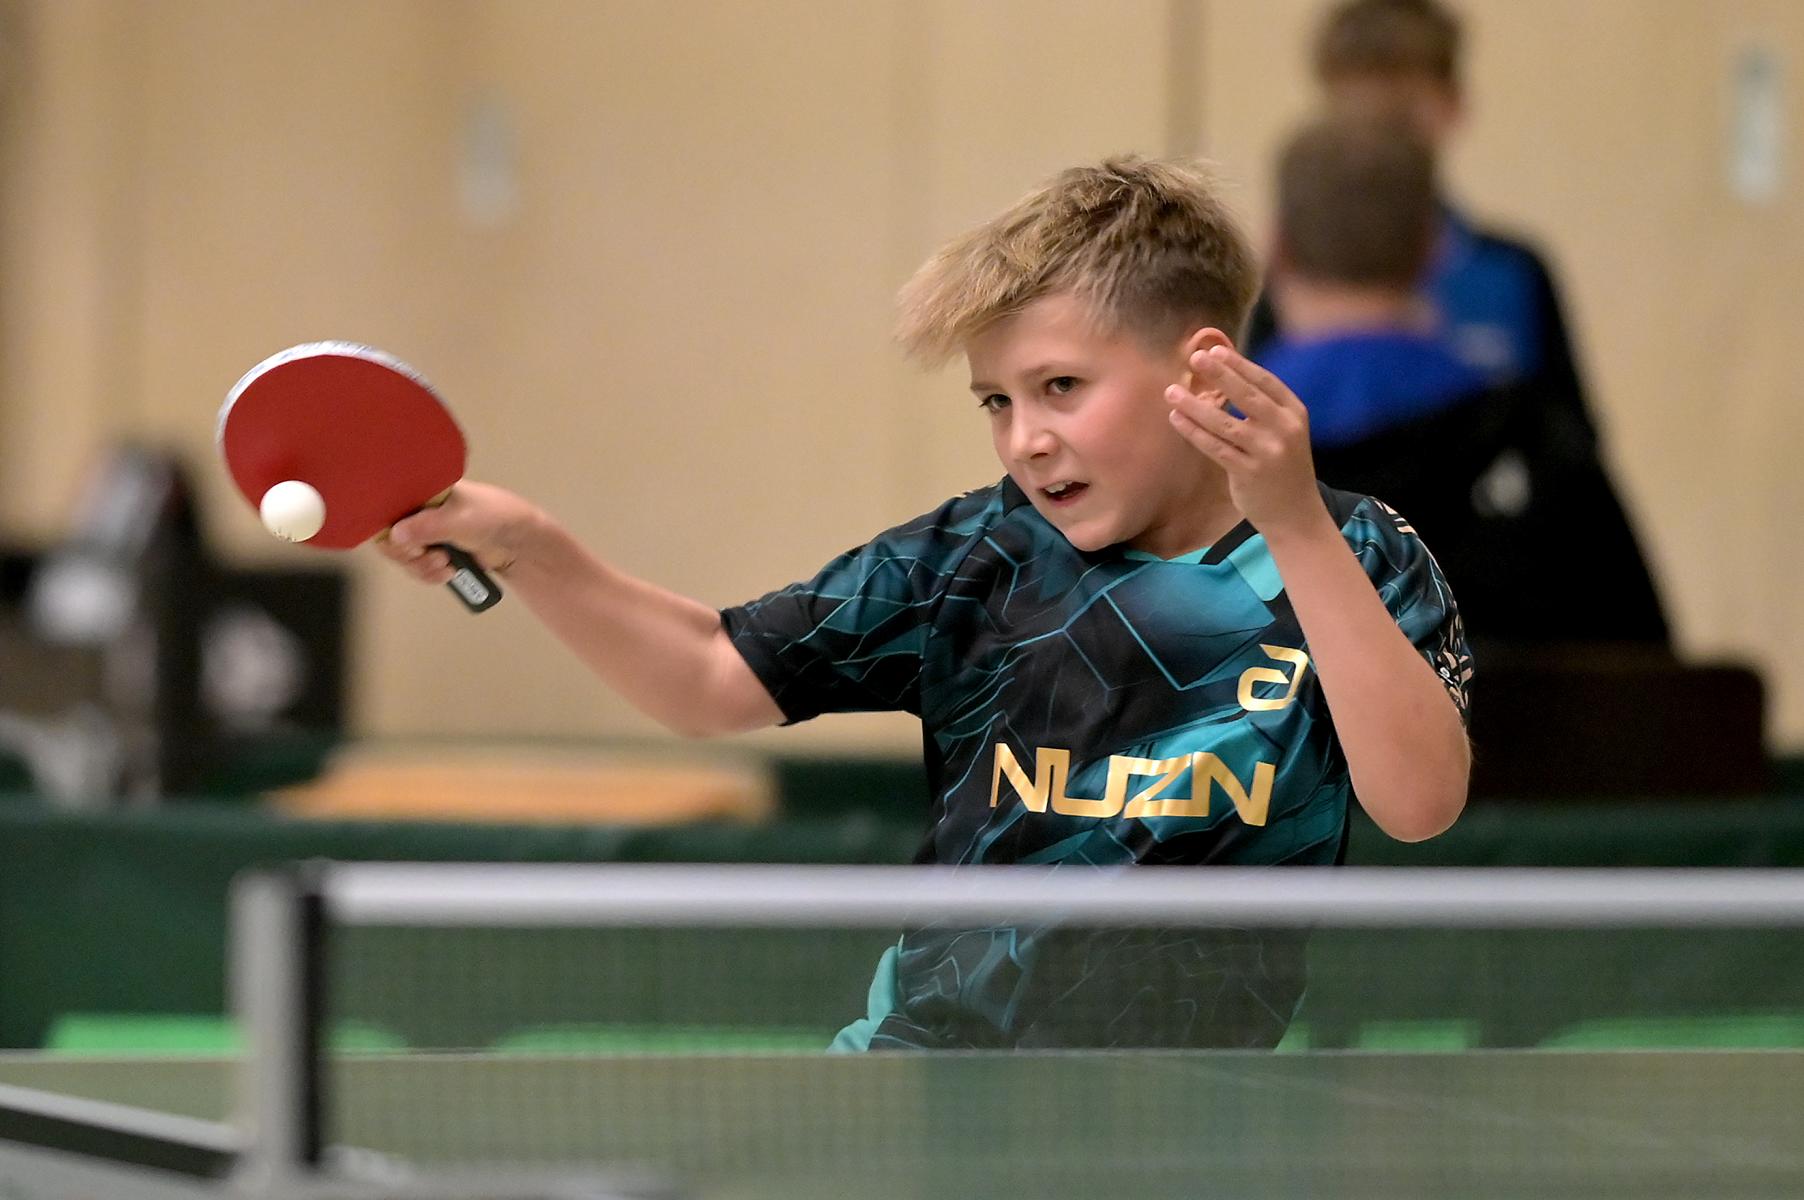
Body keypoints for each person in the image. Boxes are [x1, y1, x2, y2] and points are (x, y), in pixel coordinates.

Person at [380, 156, 1472, 1050]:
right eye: (996, 401)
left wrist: (1293, 527)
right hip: (933, 1083)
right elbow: (710, 677)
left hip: (1195, 1115)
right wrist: (527, 548)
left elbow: (1419, 803)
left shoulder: (1356, 554)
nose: (1024, 439)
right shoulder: (972, 559)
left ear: (1202, 369)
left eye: (1060, 387)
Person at [1259, 114, 1669, 645]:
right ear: (1435, 246)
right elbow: (1647, 665)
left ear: (1277, 248)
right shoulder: (1533, 445)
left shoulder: (1209, 448)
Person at [1245, 0, 1595, 436]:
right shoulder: (1293, 281)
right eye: (1359, 116)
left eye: (1402, 114)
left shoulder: (1511, 273)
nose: (1382, 140)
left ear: (1453, 104)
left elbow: (1569, 449)